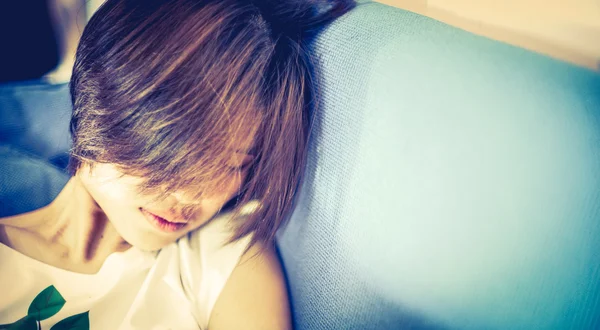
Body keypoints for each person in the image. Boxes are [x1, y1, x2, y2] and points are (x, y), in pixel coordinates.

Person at [0, 0, 355, 328]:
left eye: (231, 166)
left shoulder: (219, 254)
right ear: (102, 104)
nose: (190, 195)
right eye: (177, 149)